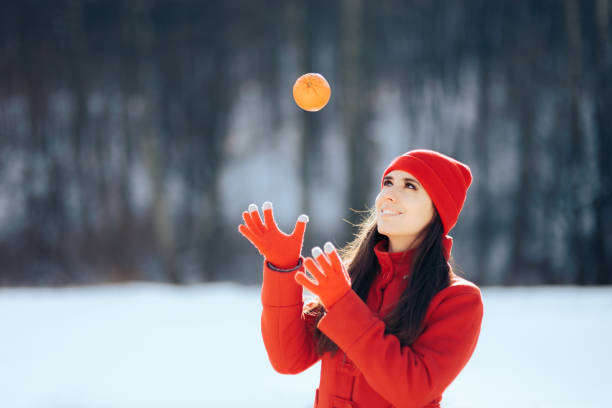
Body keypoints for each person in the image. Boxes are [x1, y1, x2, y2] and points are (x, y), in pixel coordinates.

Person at [238, 149, 484, 408]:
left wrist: (343, 303)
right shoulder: (350, 278)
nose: (388, 195)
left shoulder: (458, 299)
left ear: (438, 210)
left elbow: (413, 390)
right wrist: (283, 269)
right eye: (388, 182)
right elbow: (288, 359)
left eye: (410, 186)